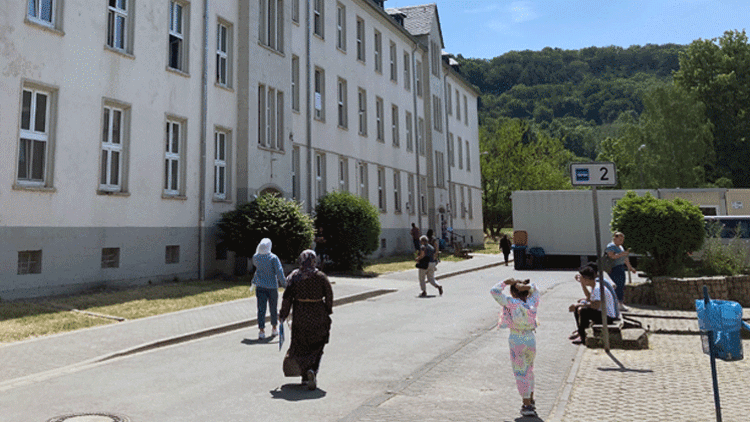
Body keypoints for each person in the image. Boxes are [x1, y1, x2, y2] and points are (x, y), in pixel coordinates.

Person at [279, 250, 334, 391]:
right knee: (318, 344)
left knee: (301, 345)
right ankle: (313, 370)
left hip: (300, 316)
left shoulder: (294, 277)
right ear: (314, 260)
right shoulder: (321, 277)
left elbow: (287, 298)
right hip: (318, 315)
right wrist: (327, 309)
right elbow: (329, 294)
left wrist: (283, 314)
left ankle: (305, 376)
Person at [490, 278, 540, 418]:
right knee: (529, 369)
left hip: (516, 338)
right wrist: (527, 287)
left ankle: (527, 404)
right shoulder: (532, 302)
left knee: (520, 372)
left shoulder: (511, 303)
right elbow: (536, 290)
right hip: (530, 337)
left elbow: (494, 291)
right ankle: (530, 398)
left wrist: (505, 282)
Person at [569, 265, 617, 345]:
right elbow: (589, 298)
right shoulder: (595, 286)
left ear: (586, 279)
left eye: (582, 278)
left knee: (583, 311)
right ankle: (581, 333)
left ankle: (583, 337)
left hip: (608, 317)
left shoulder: (598, 288)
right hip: (603, 314)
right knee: (579, 308)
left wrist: (579, 305)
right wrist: (582, 285)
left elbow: (595, 306)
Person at [251, 238, 286, 339]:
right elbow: (279, 272)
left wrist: (253, 282)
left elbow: (257, 271)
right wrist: (284, 284)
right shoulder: (273, 258)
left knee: (261, 309)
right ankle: (274, 328)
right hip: (272, 287)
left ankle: (261, 331)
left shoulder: (256, 257)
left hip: (260, 287)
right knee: (273, 308)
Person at [605, 232, 637, 311]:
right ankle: (616, 303)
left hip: (621, 267)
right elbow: (611, 256)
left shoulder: (620, 247)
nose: (622, 241)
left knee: (621, 285)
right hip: (614, 268)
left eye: (622, 240)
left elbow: (625, 259)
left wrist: (630, 268)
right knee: (616, 285)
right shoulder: (611, 246)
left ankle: (620, 303)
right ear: (615, 238)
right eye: (620, 239)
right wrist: (622, 254)